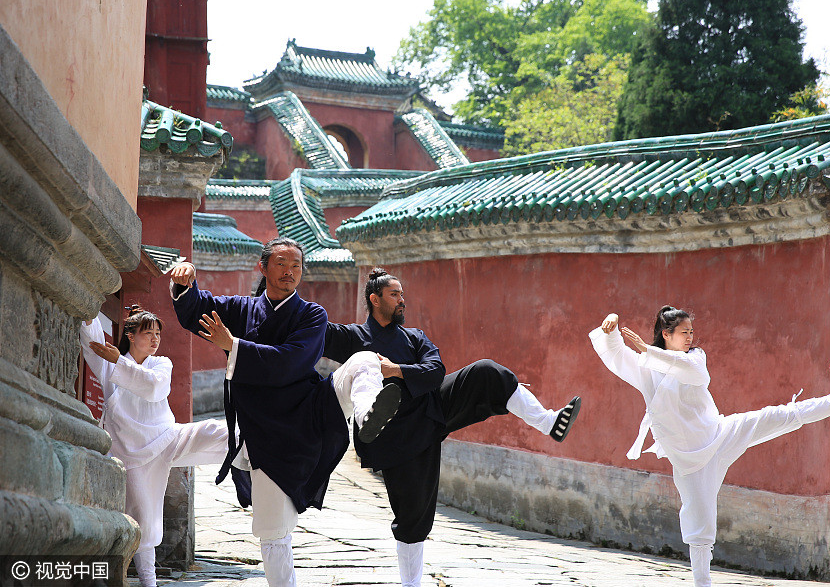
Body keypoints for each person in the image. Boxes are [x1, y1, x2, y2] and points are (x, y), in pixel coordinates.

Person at [323, 268, 582, 587]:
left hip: (432, 410)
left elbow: (435, 370)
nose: (402, 300)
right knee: (412, 518)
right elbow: (312, 332)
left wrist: (397, 370)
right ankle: (412, 584)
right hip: (394, 436)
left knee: (487, 372)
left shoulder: (414, 336)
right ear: (374, 299)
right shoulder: (353, 337)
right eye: (395, 295)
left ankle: (549, 421)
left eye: (403, 294)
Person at [169, 238, 401, 587]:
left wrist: (232, 345)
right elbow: (196, 311)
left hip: (310, 411)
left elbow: (289, 363)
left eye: (296, 265)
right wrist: (184, 283)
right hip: (263, 430)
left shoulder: (312, 315)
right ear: (262, 268)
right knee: (274, 533)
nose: (289, 270)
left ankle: (367, 414)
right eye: (281, 263)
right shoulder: (241, 309)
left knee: (365, 360)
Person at [589, 306, 830, 587]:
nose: (689, 337)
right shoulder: (646, 368)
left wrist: (649, 351)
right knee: (699, 522)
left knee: (777, 416)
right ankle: (702, 583)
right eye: (684, 332)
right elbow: (619, 357)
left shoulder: (695, 357)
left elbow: (693, 373)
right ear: (666, 334)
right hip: (690, 461)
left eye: (691, 332)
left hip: (719, 434)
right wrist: (610, 328)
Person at [79, 305, 230, 587]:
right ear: (131, 336)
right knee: (143, 519)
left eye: (157, 333)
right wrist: (88, 317)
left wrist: (120, 363)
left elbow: (154, 388)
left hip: (164, 437)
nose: (154, 339)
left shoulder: (161, 363)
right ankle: (149, 582)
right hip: (130, 453)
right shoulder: (112, 363)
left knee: (214, 430)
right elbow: (92, 346)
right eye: (148, 333)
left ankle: (263, 442)